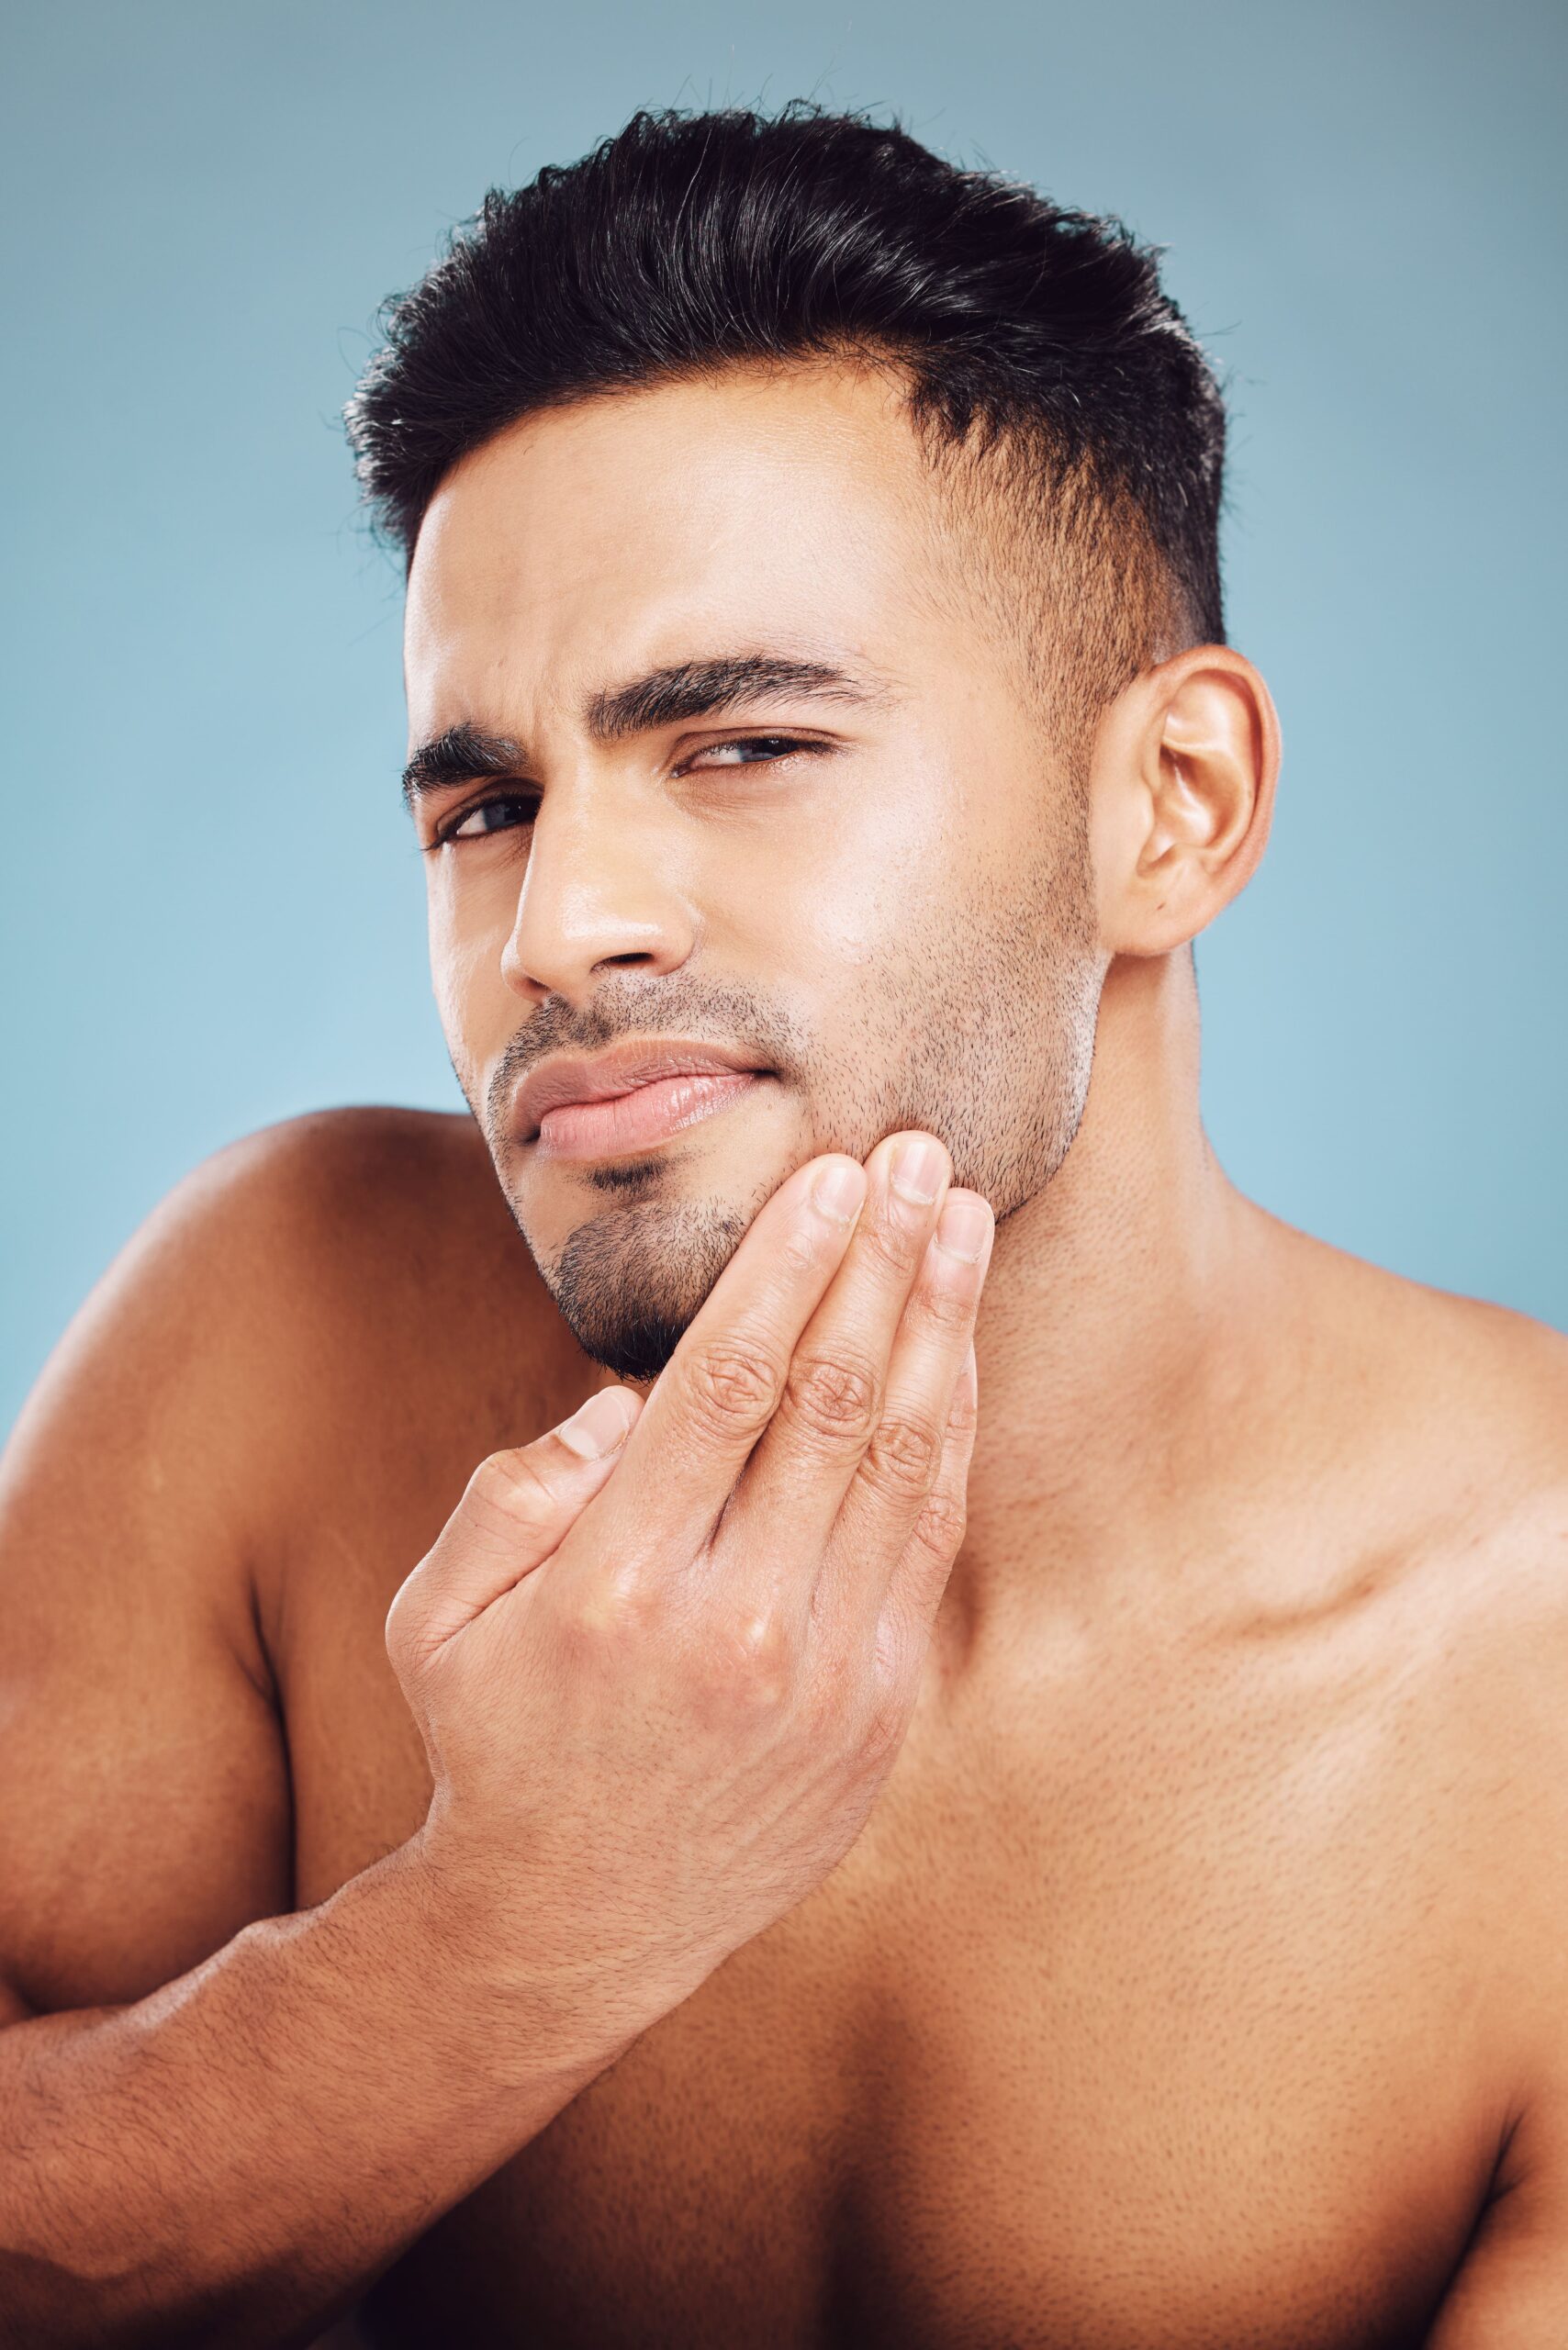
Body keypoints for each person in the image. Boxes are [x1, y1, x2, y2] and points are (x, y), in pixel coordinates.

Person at [0, 98, 1563, 2350]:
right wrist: (511, 1921)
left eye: (738, 744)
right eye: (483, 802)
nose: (555, 922)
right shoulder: (278, 1328)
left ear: (1171, 806)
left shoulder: (1527, 1671)